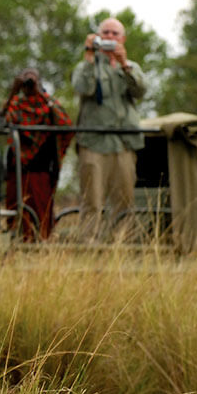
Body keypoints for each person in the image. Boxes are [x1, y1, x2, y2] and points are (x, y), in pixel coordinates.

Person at [71, 17, 147, 240]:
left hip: (123, 143)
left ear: (123, 39)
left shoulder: (132, 67)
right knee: (92, 199)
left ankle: (121, 246)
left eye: (115, 34)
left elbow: (141, 92)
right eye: (106, 33)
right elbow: (82, 88)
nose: (110, 38)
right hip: (93, 143)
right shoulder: (87, 66)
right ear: (97, 37)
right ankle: (89, 245)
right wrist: (88, 56)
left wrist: (124, 65)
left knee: (124, 201)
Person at [0, 68, 73, 241]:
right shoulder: (15, 103)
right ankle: (16, 240)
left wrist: (42, 94)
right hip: (18, 166)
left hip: (41, 166)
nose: (29, 85)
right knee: (16, 205)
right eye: (26, 80)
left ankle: (43, 240)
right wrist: (13, 91)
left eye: (33, 80)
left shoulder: (47, 104)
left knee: (41, 208)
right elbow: (1, 121)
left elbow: (65, 124)